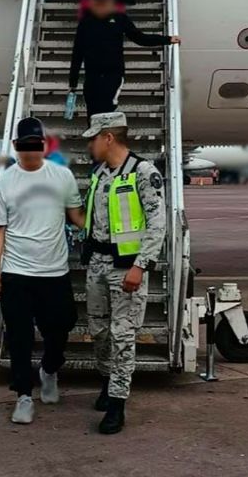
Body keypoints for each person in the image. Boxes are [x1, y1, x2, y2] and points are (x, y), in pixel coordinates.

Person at [0, 117, 84, 425]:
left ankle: (50, 369)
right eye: (24, 146)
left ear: (43, 145)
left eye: (35, 145)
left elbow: (76, 216)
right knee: (19, 337)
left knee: (61, 327)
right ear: (16, 147)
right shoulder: (4, 182)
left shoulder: (62, 177)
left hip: (54, 271)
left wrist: (105, 231)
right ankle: (24, 395)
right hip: (16, 272)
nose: (30, 152)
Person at [81, 112, 166, 434]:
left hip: (126, 268)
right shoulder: (100, 174)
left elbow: (157, 223)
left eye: (93, 138)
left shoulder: (143, 172)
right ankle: (106, 380)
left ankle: (118, 401)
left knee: (123, 335)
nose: (89, 144)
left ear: (108, 138)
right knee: (99, 331)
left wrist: (140, 266)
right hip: (98, 265)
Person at [69, 0, 181, 123]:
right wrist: (73, 82)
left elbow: (140, 38)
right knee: (92, 115)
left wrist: (167, 39)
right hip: (92, 76)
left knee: (106, 111)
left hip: (113, 74)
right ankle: (95, 140)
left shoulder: (119, 18)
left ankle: (106, 139)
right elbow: (77, 53)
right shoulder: (86, 22)